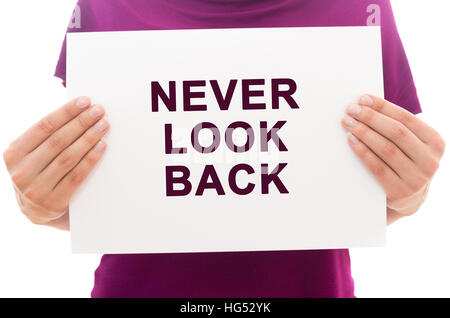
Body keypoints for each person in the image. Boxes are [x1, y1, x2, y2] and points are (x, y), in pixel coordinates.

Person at [3, 0, 445, 298]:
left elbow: (346, 198)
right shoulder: (104, 4)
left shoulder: (359, 6)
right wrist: (44, 208)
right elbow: (117, 196)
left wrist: (406, 199)